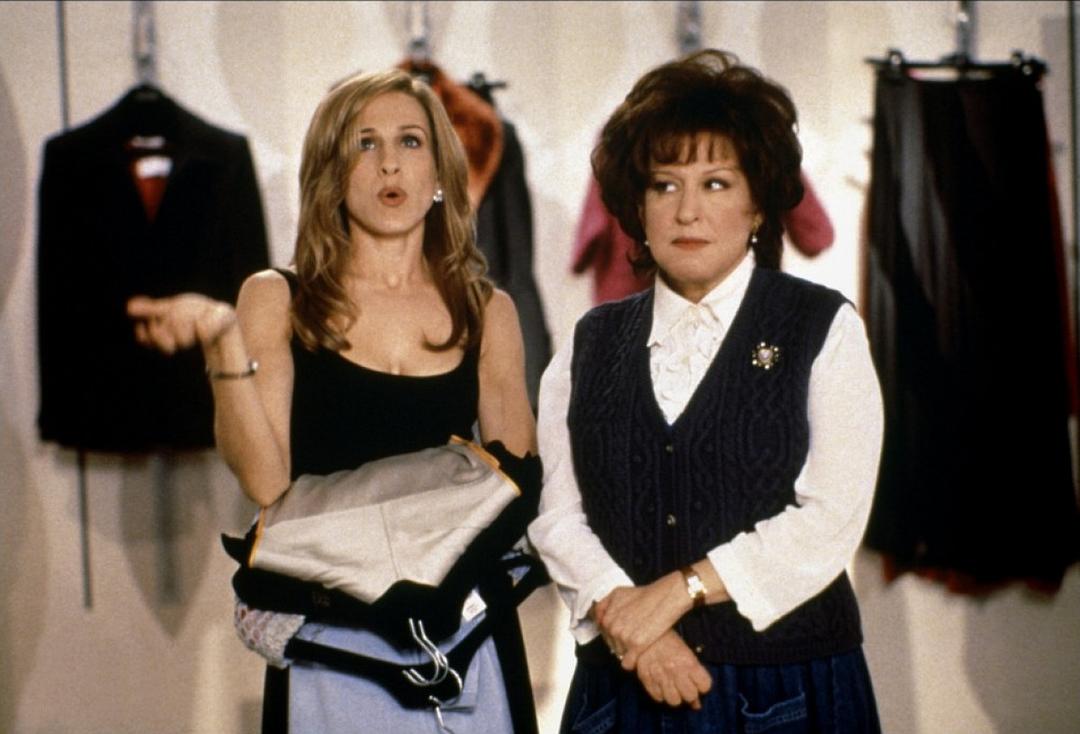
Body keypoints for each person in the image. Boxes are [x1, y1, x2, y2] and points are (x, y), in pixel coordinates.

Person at [127, 68, 538, 733]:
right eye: (363, 143)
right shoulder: (276, 298)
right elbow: (266, 482)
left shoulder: (488, 310)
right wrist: (224, 341)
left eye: (409, 141)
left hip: (462, 635)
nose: (388, 164)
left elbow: (515, 489)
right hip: (333, 637)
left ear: (440, 171)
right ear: (331, 173)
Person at [528, 49, 883, 732]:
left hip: (786, 688)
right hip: (624, 686)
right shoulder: (589, 341)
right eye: (664, 185)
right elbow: (558, 518)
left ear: (758, 205)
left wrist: (678, 593)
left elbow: (831, 516)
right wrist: (635, 627)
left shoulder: (822, 326)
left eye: (716, 183)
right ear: (638, 207)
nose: (687, 210)